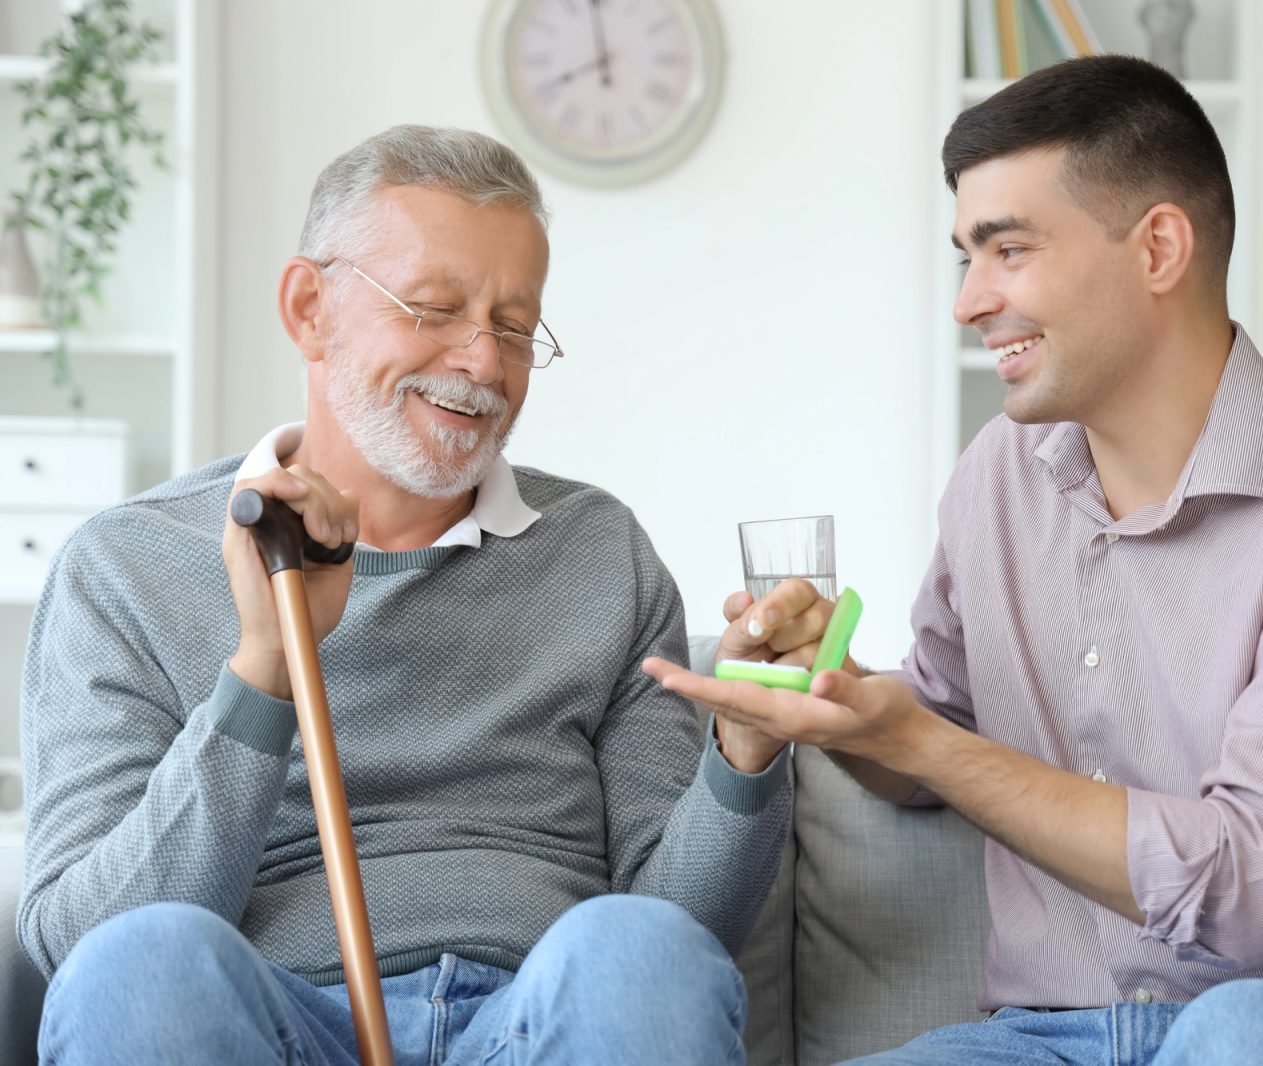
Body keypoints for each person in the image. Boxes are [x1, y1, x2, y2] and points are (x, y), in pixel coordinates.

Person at [646, 56, 1263, 1066]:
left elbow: (1261, 889)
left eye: (1006, 251)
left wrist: (924, 744)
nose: (967, 300)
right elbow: (937, 733)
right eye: (965, 256)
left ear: (1159, 248)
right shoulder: (997, 477)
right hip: (1042, 1040)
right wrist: (836, 695)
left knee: (1243, 1034)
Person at [20, 124, 789, 1066]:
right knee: (139, 963)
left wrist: (744, 753)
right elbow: (80, 947)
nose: (481, 363)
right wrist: (264, 669)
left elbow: (679, 938)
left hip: (538, 1023)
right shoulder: (129, 565)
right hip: (273, 1028)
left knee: (642, 952)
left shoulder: (601, 553)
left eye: (513, 327)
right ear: (310, 308)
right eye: (432, 308)